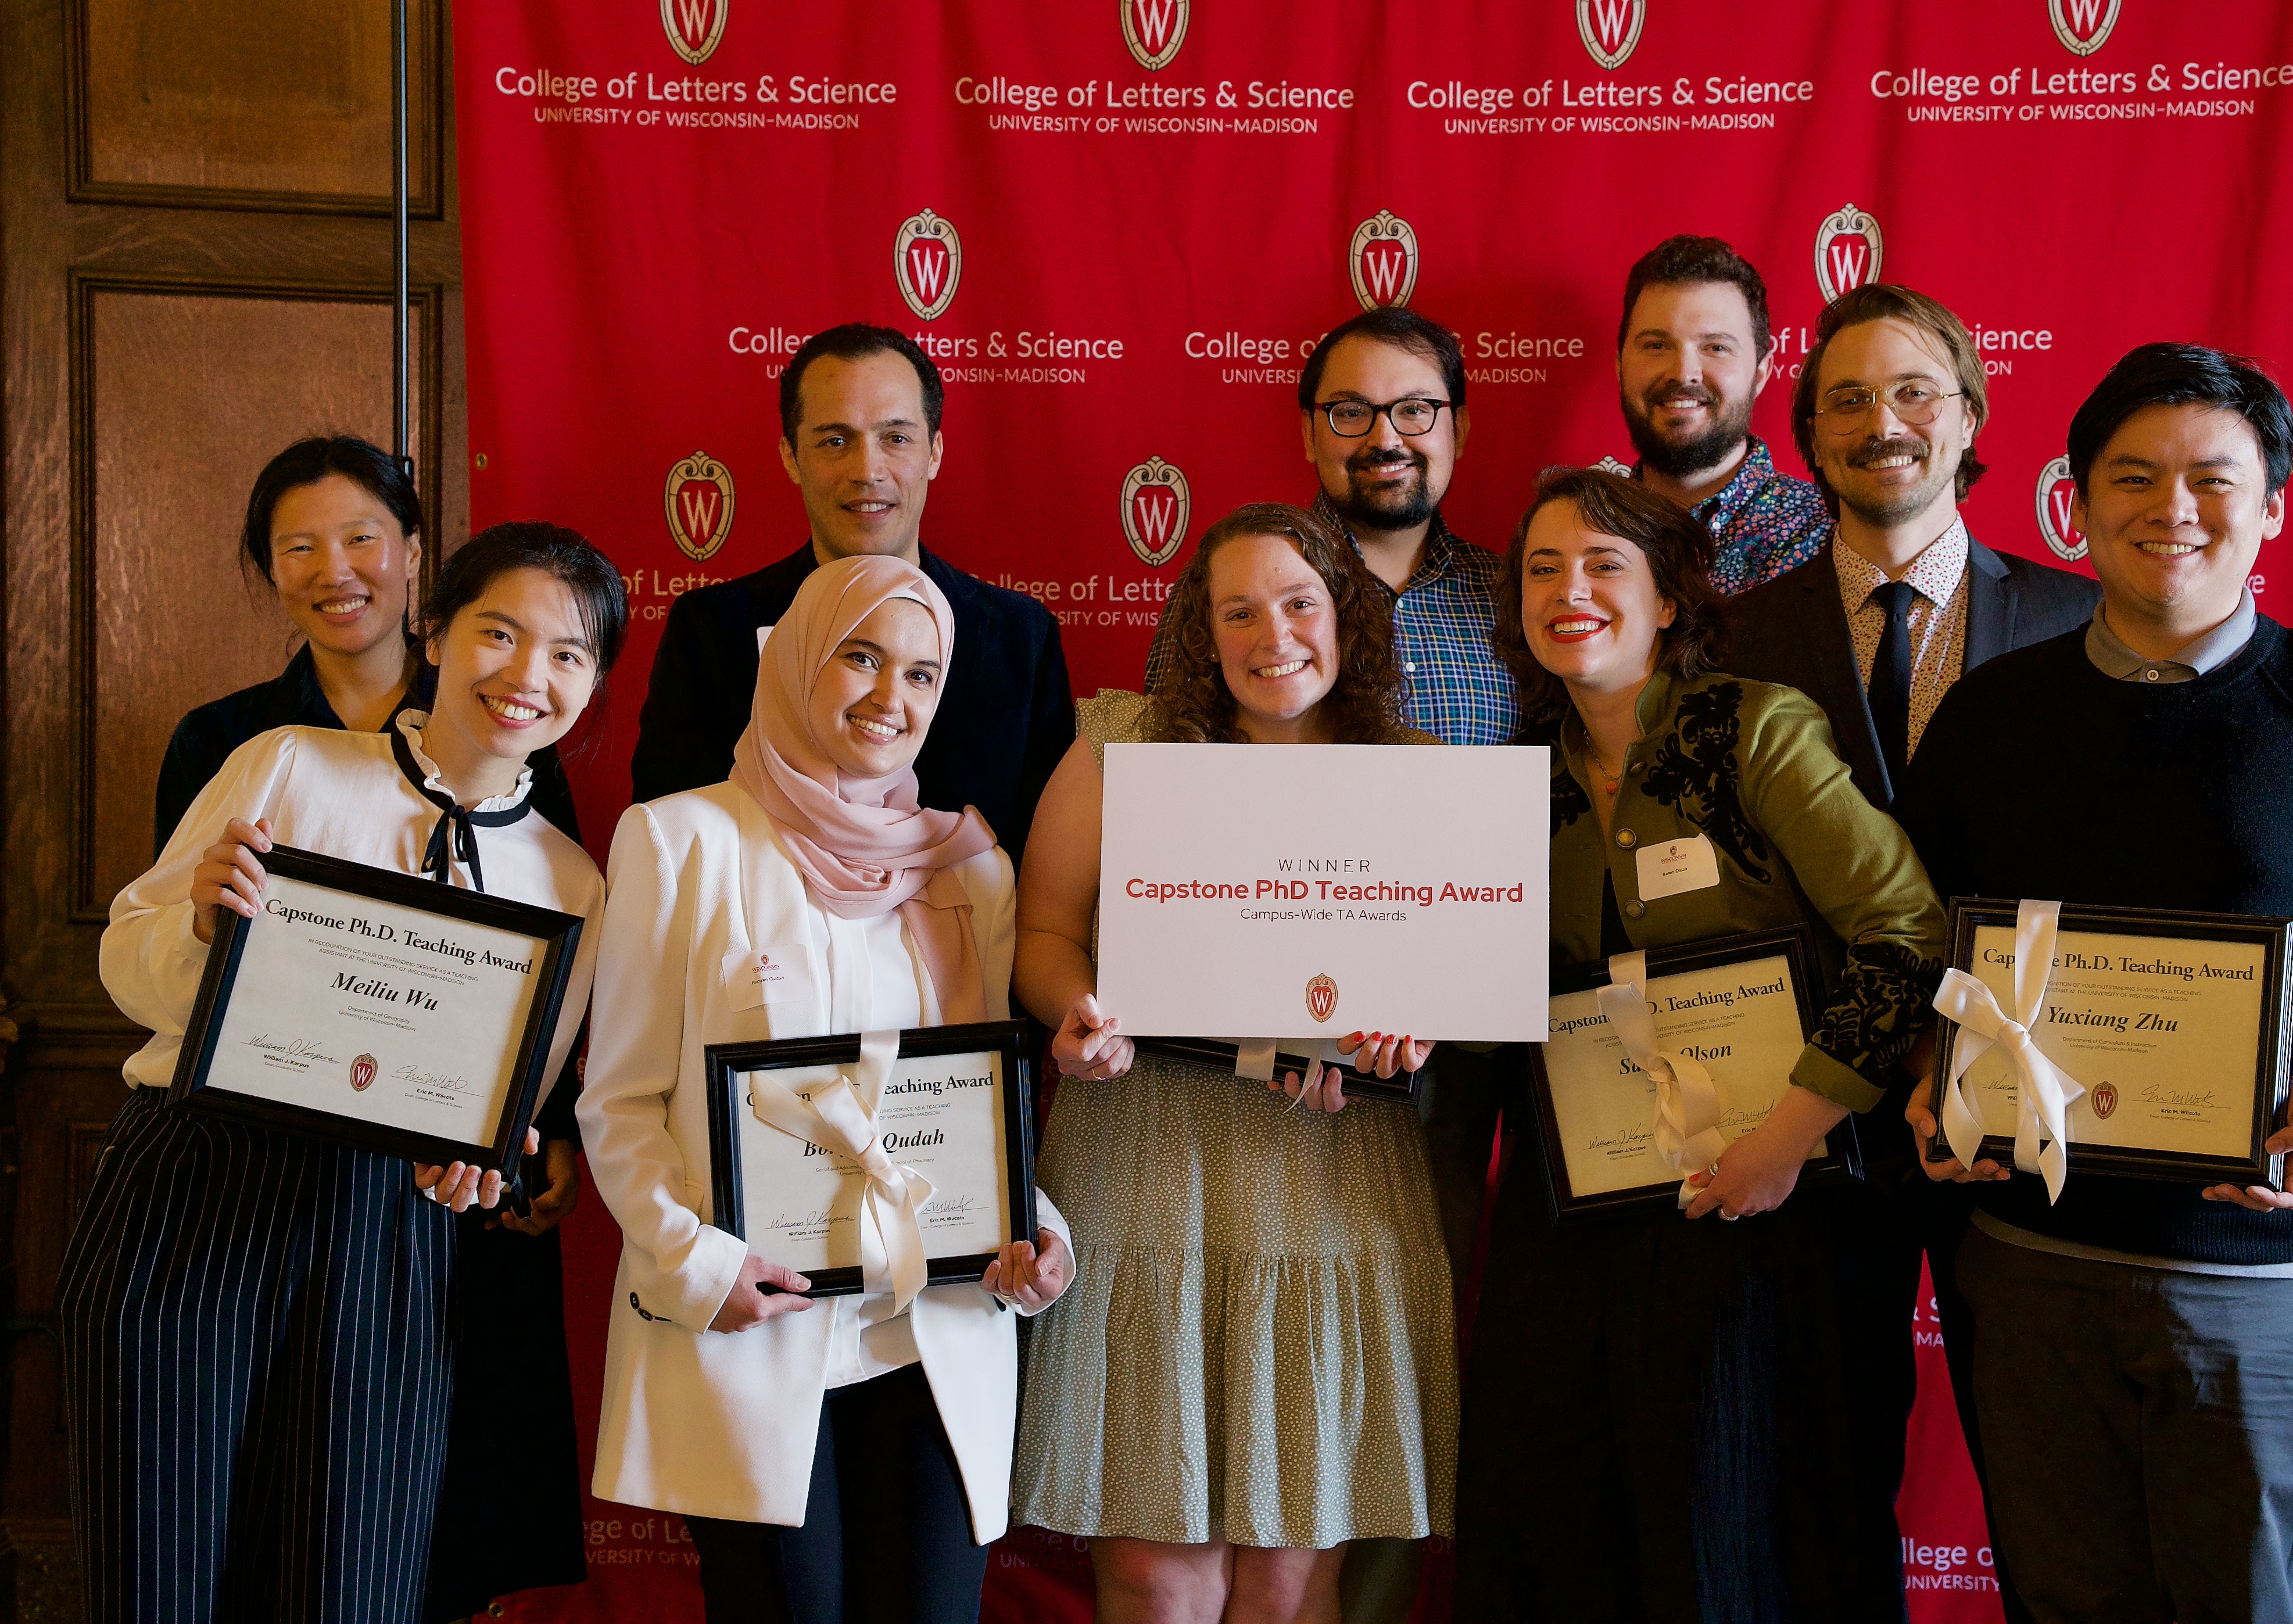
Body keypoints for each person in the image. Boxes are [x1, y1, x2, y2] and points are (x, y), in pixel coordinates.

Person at [1900, 345, 2293, 1623]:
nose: (2172, 509)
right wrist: (1925, 1081)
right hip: (2032, 1263)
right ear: (2074, 502)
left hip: (2258, 1285)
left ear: (2271, 505)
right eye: (2132, 477)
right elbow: (1913, 945)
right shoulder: (1993, 716)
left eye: (2213, 480)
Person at [63, 521, 626, 1624]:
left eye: (567, 654)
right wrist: (195, 918)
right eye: (498, 633)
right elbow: (128, 972)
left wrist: (481, 1167)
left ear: (595, 682)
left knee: (349, 1584)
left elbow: (503, 1109)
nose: (527, 675)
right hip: (195, 1187)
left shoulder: (570, 882)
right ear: (434, 632)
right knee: (155, 1574)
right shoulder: (289, 763)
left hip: (388, 1242)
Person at [1455, 467, 1944, 1622]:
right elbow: (1472, 998)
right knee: (1565, 1535)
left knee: (1739, 1541)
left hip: (1766, 1221)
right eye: (1539, 568)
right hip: (1572, 1228)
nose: (1566, 589)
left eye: (1601, 564)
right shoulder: (1505, 783)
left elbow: (1904, 935)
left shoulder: (1752, 729)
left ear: (1668, 599)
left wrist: (1784, 1139)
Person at [580, 555, 1076, 1624]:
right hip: (757, 1320)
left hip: (935, 1321)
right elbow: (615, 1100)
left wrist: (1033, 1228)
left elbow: (979, 1105)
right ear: (799, 657)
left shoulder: (970, 867)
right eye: (860, 656)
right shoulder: (680, 842)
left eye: (920, 675)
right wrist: (693, 1259)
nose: (888, 698)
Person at [1722, 284, 2099, 1600]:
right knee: (1820, 1485)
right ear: (1808, 435)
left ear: (1968, 416)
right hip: (1813, 1124)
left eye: (1911, 393)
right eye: (1845, 399)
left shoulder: (2078, 625)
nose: (1880, 422)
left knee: (2054, 1480)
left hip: (2026, 1117)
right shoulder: (1734, 637)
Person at [1017, 503, 1456, 1624]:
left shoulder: (1419, 776)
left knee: (1291, 1566)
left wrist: (1417, 1029)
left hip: (1334, 1170)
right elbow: (1046, 935)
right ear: (1202, 631)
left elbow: (1455, 976)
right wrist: (1074, 1012)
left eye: (1301, 602)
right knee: (1157, 1574)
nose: (1276, 634)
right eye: (1241, 610)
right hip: (1145, 1151)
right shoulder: (1124, 745)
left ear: (1345, 618)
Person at [630, 323, 1074, 864]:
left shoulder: (1020, 638)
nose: (867, 470)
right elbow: (673, 844)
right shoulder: (709, 631)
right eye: (835, 441)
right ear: (792, 456)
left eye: (897, 438)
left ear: (934, 452)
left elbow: (1048, 860)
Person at [1146, 305, 1518, 747]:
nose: (1384, 440)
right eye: (1350, 411)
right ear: (1309, 434)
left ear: (1458, 429)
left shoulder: (1515, 596)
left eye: (1416, 409)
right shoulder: (1227, 584)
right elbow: (1166, 758)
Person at [1614, 235, 1829, 594]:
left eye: (1716, 347)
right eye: (1656, 345)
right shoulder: (1581, 536)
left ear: (1761, 373)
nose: (1683, 373)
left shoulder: (1829, 535)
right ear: (1620, 367)